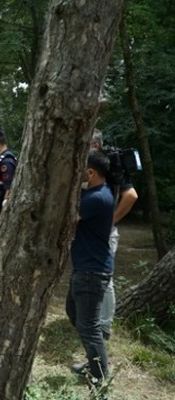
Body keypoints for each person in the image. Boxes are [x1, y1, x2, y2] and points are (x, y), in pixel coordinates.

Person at [67, 150, 114, 384]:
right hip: (87, 268)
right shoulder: (98, 193)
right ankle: (94, 359)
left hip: (91, 272)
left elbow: (68, 217)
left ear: (91, 172)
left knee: (88, 325)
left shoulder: (96, 198)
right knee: (73, 312)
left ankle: (98, 375)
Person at [90, 129, 138, 341]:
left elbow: (131, 195)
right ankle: (92, 318)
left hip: (105, 232)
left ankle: (104, 326)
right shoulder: (91, 167)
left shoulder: (109, 165)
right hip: (90, 232)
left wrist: (111, 220)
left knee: (105, 277)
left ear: (96, 145)